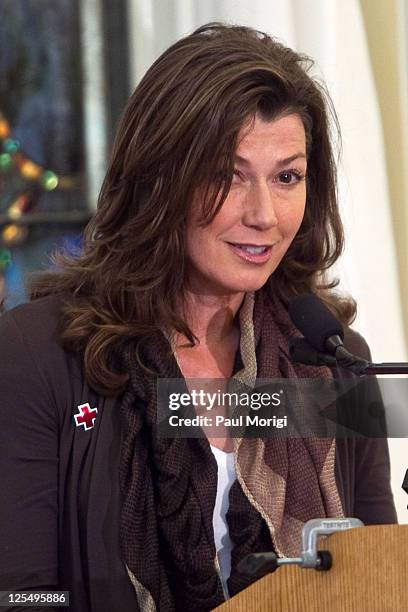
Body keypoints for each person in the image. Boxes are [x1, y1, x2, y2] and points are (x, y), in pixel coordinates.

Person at [0, 22, 397, 612]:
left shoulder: (335, 362)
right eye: (227, 176)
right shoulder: (37, 353)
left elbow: (378, 582)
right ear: (160, 179)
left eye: (287, 177)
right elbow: (24, 596)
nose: (264, 214)